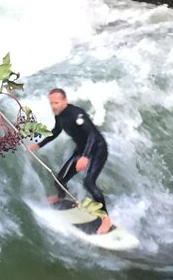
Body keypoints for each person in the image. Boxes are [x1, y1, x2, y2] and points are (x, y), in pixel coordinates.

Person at [27, 89, 113, 235]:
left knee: (88, 182)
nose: (53, 106)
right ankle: (63, 197)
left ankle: (105, 218)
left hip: (97, 148)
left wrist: (85, 156)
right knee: (59, 180)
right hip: (81, 150)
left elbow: (92, 134)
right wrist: (38, 145)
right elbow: (56, 131)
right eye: (51, 103)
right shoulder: (60, 116)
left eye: (56, 102)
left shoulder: (76, 114)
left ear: (65, 101)